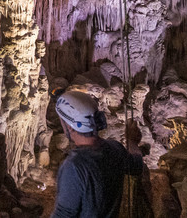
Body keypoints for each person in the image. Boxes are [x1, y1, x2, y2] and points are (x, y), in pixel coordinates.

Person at [50, 89, 145, 218]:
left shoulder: (74, 166)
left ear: (71, 126)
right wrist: (132, 141)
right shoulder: (114, 149)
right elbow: (137, 165)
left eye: (63, 121)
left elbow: (63, 215)